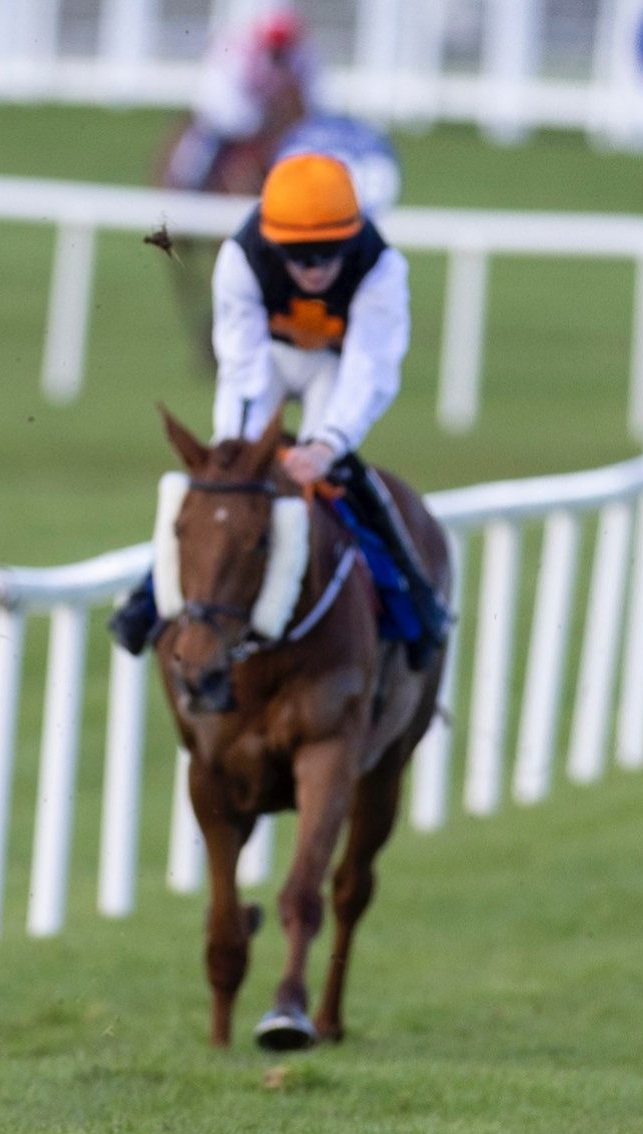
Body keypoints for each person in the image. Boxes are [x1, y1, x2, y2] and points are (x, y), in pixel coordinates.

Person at [113, 151, 450, 669]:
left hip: (334, 366)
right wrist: (245, 451)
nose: (311, 269)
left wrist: (326, 444)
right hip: (265, 359)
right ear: (273, 244)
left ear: (351, 239)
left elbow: (370, 369)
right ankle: (148, 599)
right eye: (297, 255)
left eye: (326, 253)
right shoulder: (241, 258)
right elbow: (243, 364)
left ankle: (416, 603)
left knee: (337, 473)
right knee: (229, 483)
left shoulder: (381, 266)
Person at [162, 7, 320, 194]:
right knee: (210, 140)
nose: (279, 55)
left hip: (265, 110)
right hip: (231, 107)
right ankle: (189, 181)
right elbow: (232, 104)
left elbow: (308, 97)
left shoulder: (301, 56)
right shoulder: (242, 57)